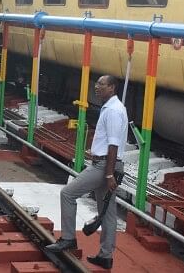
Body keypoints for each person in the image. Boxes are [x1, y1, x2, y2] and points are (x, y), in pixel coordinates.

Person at [45, 75, 128, 270]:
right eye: (97, 84)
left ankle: (68, 238)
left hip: (105, 166)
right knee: (107, 212)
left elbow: (113, 145)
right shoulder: (111, 108)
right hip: (108, 166)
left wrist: (108, 175)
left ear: (112, 88)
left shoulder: (114, 111)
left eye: (102, 84)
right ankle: (105, 256)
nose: (97, 87)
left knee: (67, 193)